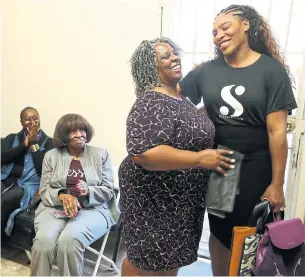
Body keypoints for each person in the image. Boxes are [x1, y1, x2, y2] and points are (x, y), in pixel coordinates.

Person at [179, 5, 298, 275]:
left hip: (258, 166)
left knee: (253, 234)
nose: (218, 35)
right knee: (221, 233)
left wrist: (277, 185)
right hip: (222, 165)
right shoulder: (207, 71)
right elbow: (173, 99)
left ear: (245, 25)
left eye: (225, 27)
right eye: (214, 31)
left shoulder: (271, 71)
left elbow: (277, 132)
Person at [118, 37, 235, 276]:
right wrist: (200, 159)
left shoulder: (180, 99)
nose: (174, 58)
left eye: (174, 53)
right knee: (145, 262)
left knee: (169, 260)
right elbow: (144, 152)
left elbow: (189, 128)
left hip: (179, 202)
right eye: (165, 57)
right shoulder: (151, 100)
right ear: (150, 68)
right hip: (153, 200)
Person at [30, 114, 118, 276]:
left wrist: (89, 190)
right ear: (64, 135)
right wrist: (62, 195)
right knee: (43, 243)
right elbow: (44, 190)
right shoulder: (52, 156)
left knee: (69, 241)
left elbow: (108, 190)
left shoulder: (100, 155)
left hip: (91, 210)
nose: (79, 134)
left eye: (82, 130)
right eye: (73, 131)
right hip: (54, 209)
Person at [1, 107, 54, 236]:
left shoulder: (50, 143)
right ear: (21, 122)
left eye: (35, 118)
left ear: (39, 120)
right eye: (27, 119)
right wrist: (23, 145)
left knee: (5, 199)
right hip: (6, 178)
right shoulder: (12, 138)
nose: (32, 121)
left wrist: (34, 144)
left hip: (28, 185)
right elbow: (2, 158)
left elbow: (44, 170)